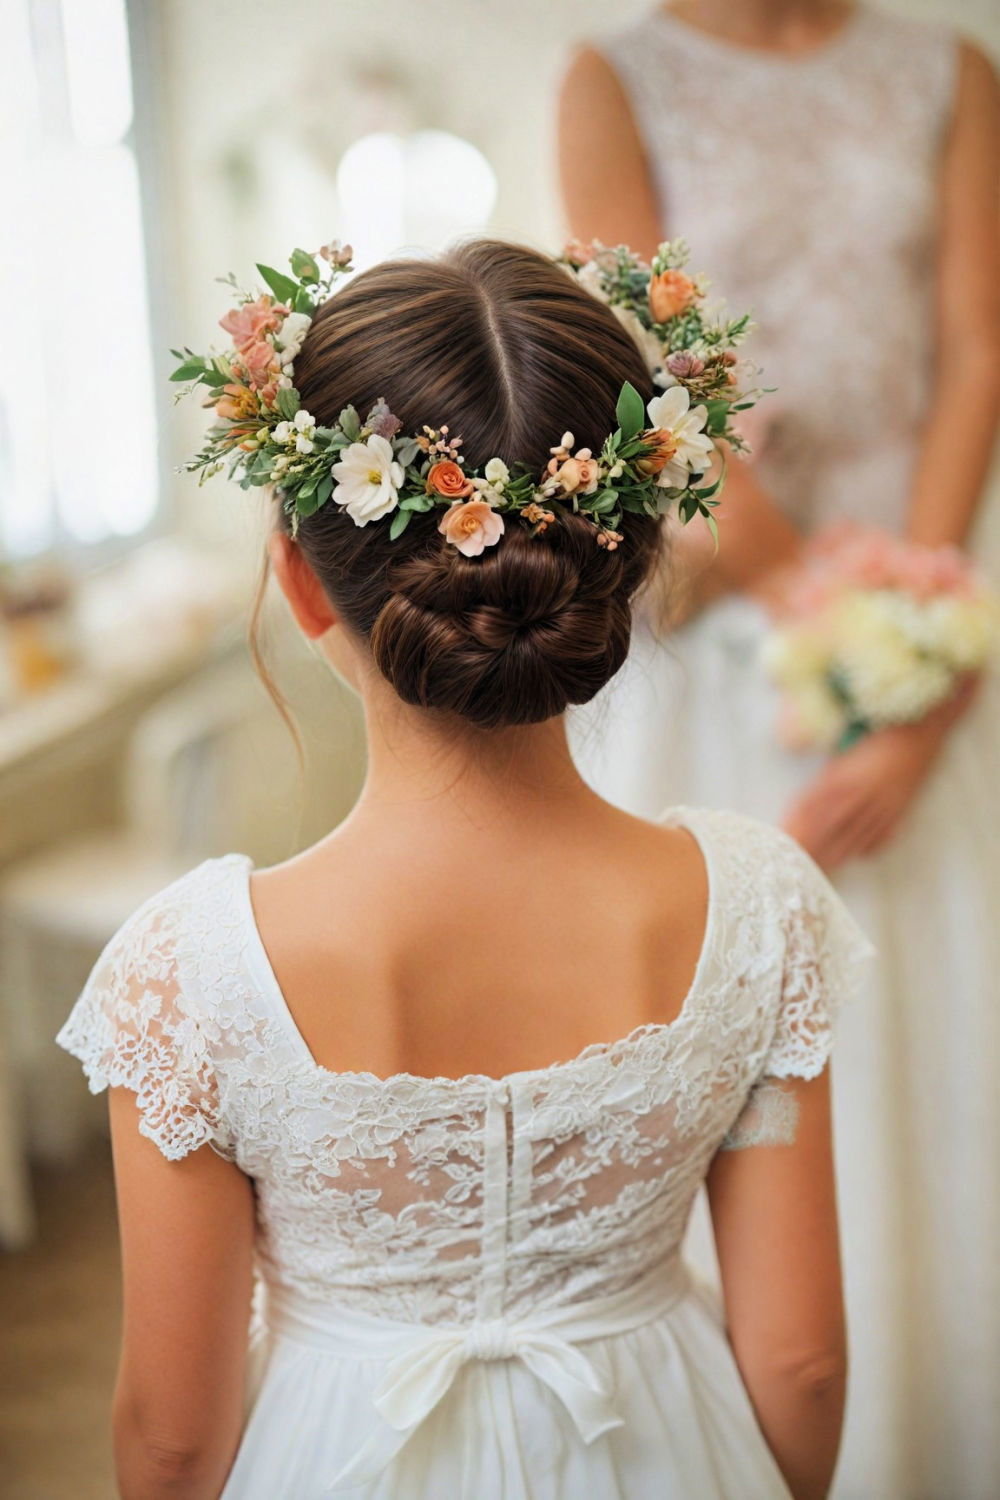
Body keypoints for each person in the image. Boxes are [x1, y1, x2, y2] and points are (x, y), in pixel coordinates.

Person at [55, 239, 872, 1500]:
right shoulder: (757, 911)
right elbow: (805, 1363)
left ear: (299, 580)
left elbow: (171, 1435)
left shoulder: (187, 972)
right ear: (634, 564)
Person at [558, 5, 1000, 1497]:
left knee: (927, 1028)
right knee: (725, 1038)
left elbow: (976, 344)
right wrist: (844, 632)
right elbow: (649, 374)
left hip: (912, 611)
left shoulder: (950, 69)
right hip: (715, 628)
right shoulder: (615, 76)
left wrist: (918, 645)